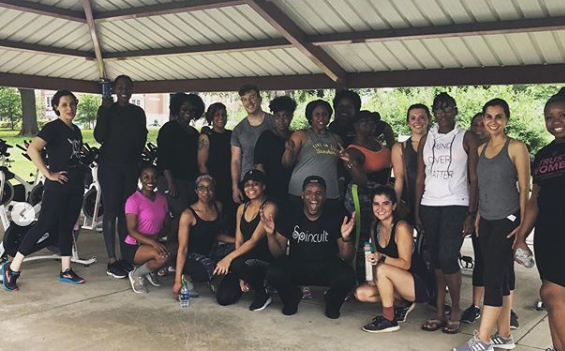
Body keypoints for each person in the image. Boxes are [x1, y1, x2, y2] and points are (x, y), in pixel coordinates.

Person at [454, 99, 530, 351]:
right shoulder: (482, 148)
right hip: (485, 220)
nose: (493, 121)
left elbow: (524, 188)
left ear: (506, 119)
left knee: (493, 277)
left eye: (499, 116)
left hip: (507, 221)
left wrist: (522, 225)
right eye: (489, 116)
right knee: (503, 276)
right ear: (483, 119)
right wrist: (476, 216)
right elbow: (483, 186)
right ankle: (505, 335)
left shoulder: (516, 147)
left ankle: (484, 339)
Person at [2, 90, 86, 291]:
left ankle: (66, 270)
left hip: (74, 186)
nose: (69, 108)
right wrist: (48, 173)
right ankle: (12, 269)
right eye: (64, 105)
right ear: (56, 107)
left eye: (72, 104)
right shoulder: (53, 128)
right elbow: (33, 149)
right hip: (57, 186)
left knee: (66, 227)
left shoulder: (76, 130)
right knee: (44, 225)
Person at [415, 92, 479, 334]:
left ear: (455, 110)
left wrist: (471, 212)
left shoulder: (467, 137)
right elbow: (421, 177)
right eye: (438, 109)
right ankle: (440, 312)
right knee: (436, 261)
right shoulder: (426, 139)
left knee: (448, 256)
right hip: (430, 204)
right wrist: (417, 209)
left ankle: (455, 310)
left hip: (456, 203)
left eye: (447, 108)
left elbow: (474, 177)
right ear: (434, 113)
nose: (443, 113)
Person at [263, 176, 357, 319]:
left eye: (319, 193)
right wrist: (270, 235)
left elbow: (347, 257)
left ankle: (331, 300)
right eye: (309, 192)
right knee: (273, 272)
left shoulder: (336, 215)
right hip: (298, 264)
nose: (314, 197)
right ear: (302, 195)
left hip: (326, 265)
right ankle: (292, 296)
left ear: (325, 197)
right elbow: (278, 253)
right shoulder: (290, 213)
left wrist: (346, 238)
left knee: (348, 277)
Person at [515, 90, 565, 351]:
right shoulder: (544, 154)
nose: (555, 121)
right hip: (547, 233)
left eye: (562, 115)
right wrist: (522, 236)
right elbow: (535, 199)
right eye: (550, 116)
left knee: (552, 294)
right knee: (552, 295)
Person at [355, 186, 430, 333]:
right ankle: (402, 304)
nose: (380, 208)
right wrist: (374, 277)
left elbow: (405, 264)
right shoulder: (375, 226)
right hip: (395, 282)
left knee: (382, 268)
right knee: (361, 293)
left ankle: (389, 319)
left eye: (386, 203)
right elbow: (375, 260)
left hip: (417, 284)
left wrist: (381, 259)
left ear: (394, 206)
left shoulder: (401, 226)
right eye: (376, 204)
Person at [94, 75, 148, 279]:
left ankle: (127, 255)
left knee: (127, 213)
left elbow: (141, 138)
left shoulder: (137, 112)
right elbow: (99, 136)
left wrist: (136, 163)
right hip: (109, 167)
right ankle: (111, 259)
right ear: (114, 90)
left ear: (132, 89)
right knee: (111, 211)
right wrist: (105, 110)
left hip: (129, 168)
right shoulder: (108, 109)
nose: (123, 90)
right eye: (119, 87)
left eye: (127, 87)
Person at [214, 169, 278, 311]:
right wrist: (241, 274)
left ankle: (263, 293)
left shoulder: (269, 207)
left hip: (264, 257)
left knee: (235, 263)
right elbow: (239, 240)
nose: (251, 188)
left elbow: (254, 240)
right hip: (244, 259)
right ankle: (248, 276)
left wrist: (228, 259)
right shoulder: (242, 208)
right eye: (247, 184)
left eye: (255, 184)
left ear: (264, 186)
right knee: (224, 298)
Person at [172, 174, 235, 299]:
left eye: (210, 188)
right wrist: (177, 281)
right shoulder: (188, 214)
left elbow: (215, 234)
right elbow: (183, 247)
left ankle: (215, 277)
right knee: (211, 270)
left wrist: (238, 241)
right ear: (196, 191)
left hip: (210, 252)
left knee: (238, 249)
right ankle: (187, 276)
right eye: (201, 188)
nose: (206, 192)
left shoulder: (218, 206)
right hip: (191, 256)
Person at [157, 93, 204, 257]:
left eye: (192, 110)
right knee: (176, 219)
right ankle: (165, 256)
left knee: (187, 219)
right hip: (171, 180)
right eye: (185, 108)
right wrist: (171, 183)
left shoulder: (194, 133)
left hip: (189, 182)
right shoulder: (169, 129)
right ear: (177, 109)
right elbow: (163, 158)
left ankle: (179, 255)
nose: (188, 112)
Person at [283, 100, 345, 208]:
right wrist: (288, 150)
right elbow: (286, 164)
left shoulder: (336, 139)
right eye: (317, 114)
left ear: (329, 116)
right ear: (310, 117)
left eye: (324, 114)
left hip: (328, 192)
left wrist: (341, 184)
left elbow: (340, 166)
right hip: (301, 192)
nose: (321, 117)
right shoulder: (301, 135)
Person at [123, 166, 171, 294]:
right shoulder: (133, 200)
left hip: (155, 241)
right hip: (135, 245)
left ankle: (149, 270)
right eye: (146, 177)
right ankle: (136, 274)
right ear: (140, 178)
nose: (151, 180)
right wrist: (153, 242)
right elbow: (131, 231)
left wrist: (157, 236)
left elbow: (167, 225)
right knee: (162, 257)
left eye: (154, 177)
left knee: (177, 248)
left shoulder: (161, 198)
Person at [231, 84, 274, 204]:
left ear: (260, 98)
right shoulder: (239, 129)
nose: (249, 102)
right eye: (244, 99)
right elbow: (236, 161)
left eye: (252, 97)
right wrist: (235, 187)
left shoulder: (274, 122)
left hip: (272, 180)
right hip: (247, 183)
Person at [391, 103, 430, 224]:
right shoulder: (400, 148)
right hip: (410, 199)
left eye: (422, 117)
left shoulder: (438, 145)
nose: (417, 121)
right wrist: (396, 202)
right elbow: (399, 178)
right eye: (413, 118)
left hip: (435, 200)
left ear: (429, 120)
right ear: (408, 122)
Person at [254, 95, 296, 205]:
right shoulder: (266, 137)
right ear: (273, 117)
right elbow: (259, 166)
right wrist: (262, 189)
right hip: (270, 189)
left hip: (292, 188)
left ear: (291, 116)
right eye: (278, 116)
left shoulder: (295, 137)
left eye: (285, 116)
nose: (282, 120)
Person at [198, 103, 233, 224]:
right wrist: (209, 187)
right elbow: (202, 164)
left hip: (230, 180)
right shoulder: (206, 137)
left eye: (224, 114)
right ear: (211, 118)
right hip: (214, 181)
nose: (221, 117)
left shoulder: (232, 135)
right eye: (217, 115)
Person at [329, 89, 395, 148]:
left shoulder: (363, 123)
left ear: (356, 109)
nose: (344, 110)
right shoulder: (333, 126)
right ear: (336, 108)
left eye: (349, 107)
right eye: (341, 106)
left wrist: (391, 149)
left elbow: (386, 128)